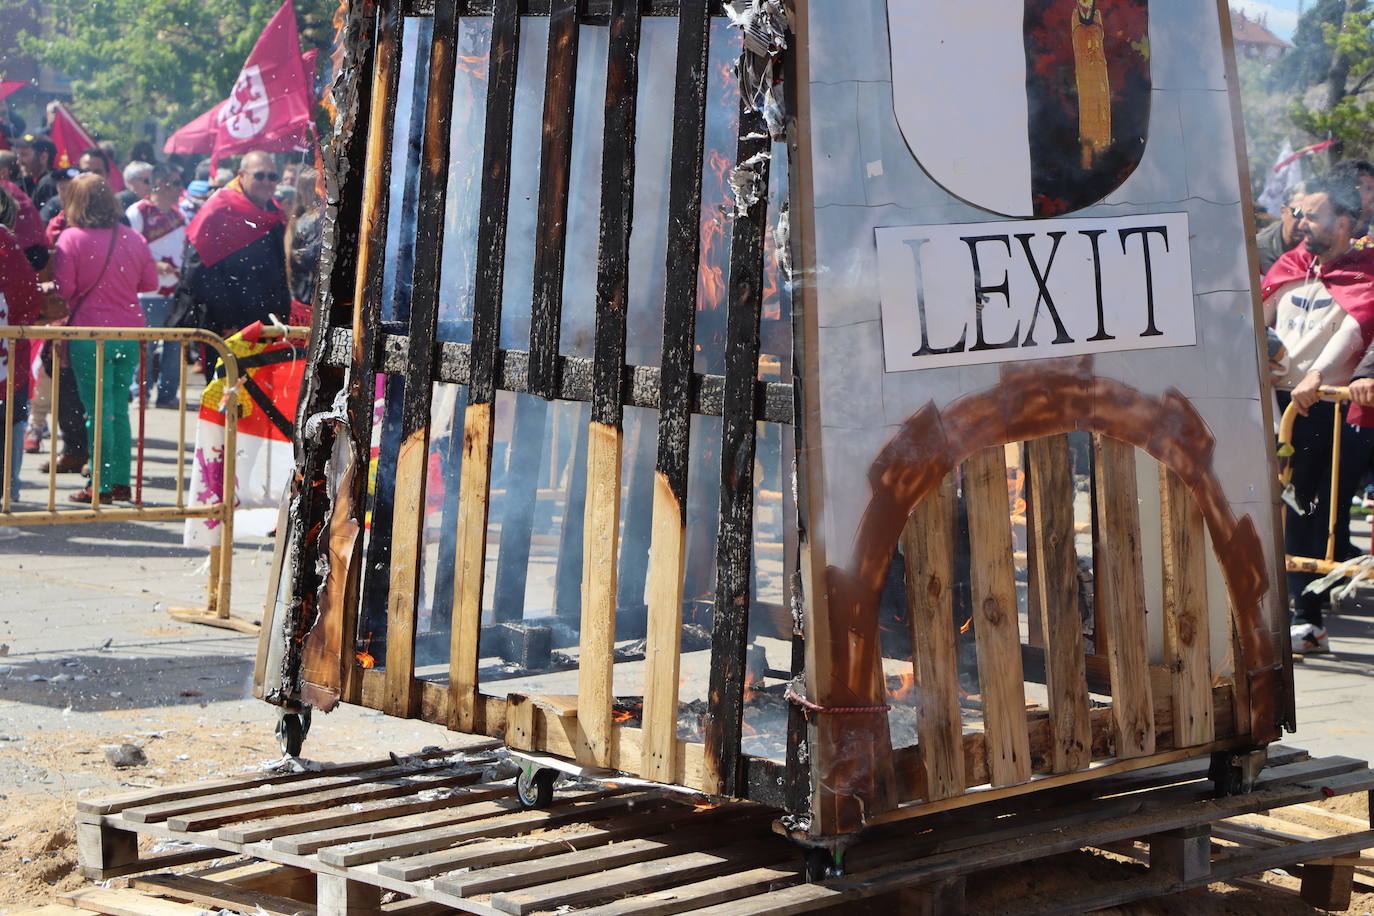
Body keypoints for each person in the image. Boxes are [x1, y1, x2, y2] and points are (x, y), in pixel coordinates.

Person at [1262, 175, 1374, 654]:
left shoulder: (1365, 272)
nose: (1301, 223)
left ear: (1345, 221)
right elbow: (1258, 316)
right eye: (1299, 213)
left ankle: (1306, 618)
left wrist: (1317, 378)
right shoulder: (1289, 265)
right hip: (1278, 405)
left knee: (1314, 509)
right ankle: (1280, 609)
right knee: (1279, 504)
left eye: (1314, 215)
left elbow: (1355, 331)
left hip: (1329, 408)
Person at [47, 174, 157, 503]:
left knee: (98, 411)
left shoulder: (71, 239)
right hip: (130, 331)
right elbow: (148, 281)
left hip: (90, 333)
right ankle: (121, 481)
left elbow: (65, 291)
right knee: (119, 408)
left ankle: (100, 483)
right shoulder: (134, 238)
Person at [173, 151, 290, 341]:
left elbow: (279, 270)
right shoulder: (220, 208)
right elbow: (197, 270)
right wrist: (225, 321)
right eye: (259, 175)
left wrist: (281, 312)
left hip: (266, 324)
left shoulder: (275, 214)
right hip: (226, 327)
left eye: (272, 176)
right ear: (241, 175)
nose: (267, 181)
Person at [126, 163, 187, 408]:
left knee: (174, 346)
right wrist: (153, 265)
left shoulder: (179, 214)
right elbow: (130, 249)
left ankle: (167, 393)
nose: (179, 189)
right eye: (176, 183)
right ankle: (139, 393)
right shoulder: (137, 213)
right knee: (145, 346)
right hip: (147, 293)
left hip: (175, 293)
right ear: (161, 184)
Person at [0, 186, 43, 507]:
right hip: (7, 352)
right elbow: (28, 296)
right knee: (11, 419)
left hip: (8, 351)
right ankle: (7, 494)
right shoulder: (5, 241)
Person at [0, 150, 49, 270]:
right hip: (38, 254)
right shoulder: (14, 189)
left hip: (22, 255)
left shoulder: (4, 188)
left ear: (3, 172)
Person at [285, 168, 321, 327]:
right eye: (305, 188)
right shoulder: (303, 217)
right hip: (303, 289)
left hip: (307, 290)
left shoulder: (314, 216)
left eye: (311, 188)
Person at [1257, 181, 1305, 276]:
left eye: (1311, 215)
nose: (1303, 221)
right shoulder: (1257, 250)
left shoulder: (1322, 247)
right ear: (1283, 211)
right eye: (1298, 213)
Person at [14, 133, 58, 213]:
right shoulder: (43, 181)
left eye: (24, 155)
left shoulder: (48, 184)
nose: (18, 161)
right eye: (18, 155)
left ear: (43, 157)